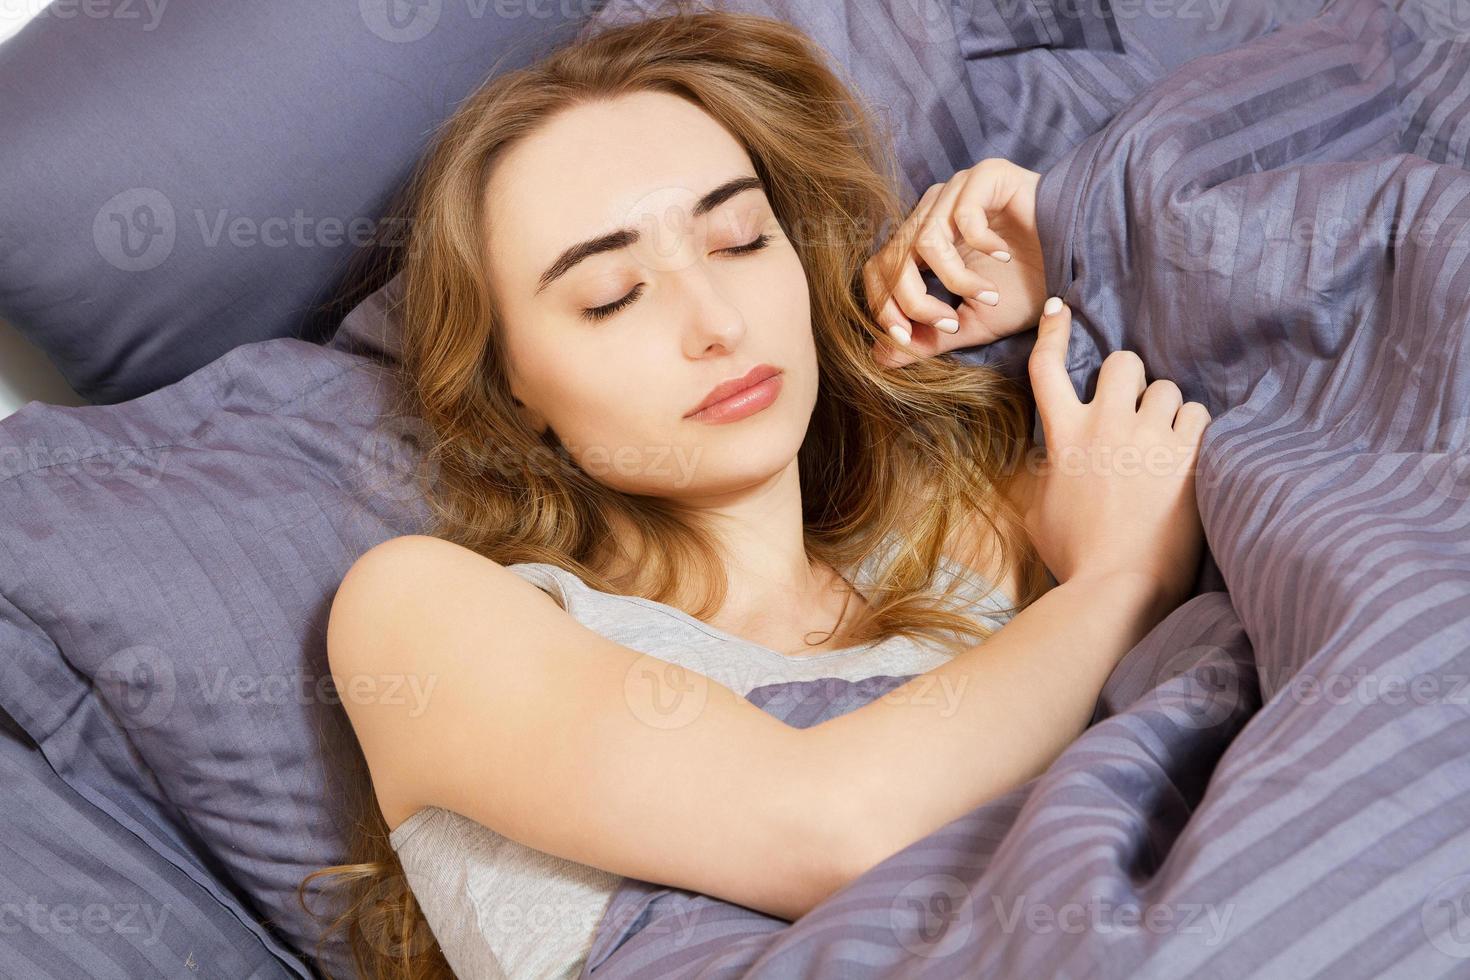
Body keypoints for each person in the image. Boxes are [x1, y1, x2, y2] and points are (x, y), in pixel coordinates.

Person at [301, 7, 1212, 979]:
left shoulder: (983, 534)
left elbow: (1242, 407)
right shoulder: (417, 615)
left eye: (739, 240)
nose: (716, 321)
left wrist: (1063, 276)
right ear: (510, 383)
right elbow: (835, 825)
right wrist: (1117, 585)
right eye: (611, 294)